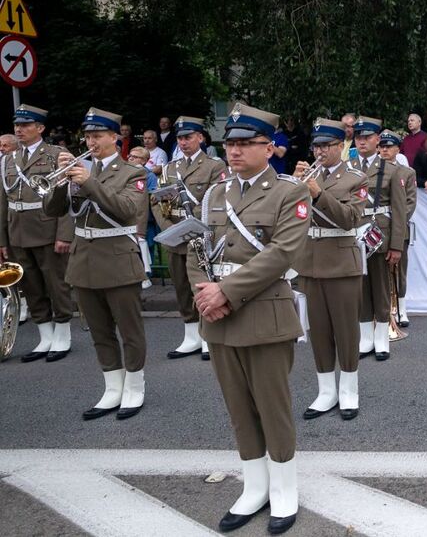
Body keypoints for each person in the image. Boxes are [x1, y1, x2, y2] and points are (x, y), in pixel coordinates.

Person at [187, 103, 308, 533]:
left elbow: (283, 254)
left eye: (244, 144)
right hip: (218, 315)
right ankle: (254, 487)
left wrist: (227, 292)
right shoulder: (215, 194)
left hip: (264, 314)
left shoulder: (289, 192)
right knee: (239, 408)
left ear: (269, 147)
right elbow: (196, 247)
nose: (234, 152)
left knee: (272, 407)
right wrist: (206, 293)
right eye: (230, 144)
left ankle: (284, 489)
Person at [43, 108, 148, 420]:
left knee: (129, 330)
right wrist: (61, 181)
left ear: (114, 137)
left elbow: (126, 210)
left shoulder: (132, 172)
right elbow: (52, 210)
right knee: (99, 331)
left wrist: (88, 181)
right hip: (84, 261)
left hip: (117, 260)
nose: (91, 141)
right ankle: (112, 386)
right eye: (87, 136)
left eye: (98, 135)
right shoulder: (78, 168)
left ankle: (135, 385)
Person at [293, 118, 366, 421]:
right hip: (310, 261)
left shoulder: (355, 178)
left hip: (341, 261)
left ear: (340, 146)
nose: (320, 151)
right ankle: (326, 390)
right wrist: (294, 188)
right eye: (317, 146)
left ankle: (349, 389)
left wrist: (317, 193)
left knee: (345, 330)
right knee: (319, 330)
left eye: (327, 145)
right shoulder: (305, 177)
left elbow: (350, 219)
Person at [0, 105, 75, 363]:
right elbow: (2, 201)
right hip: (17, 230)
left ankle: (63, 333)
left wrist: (65, 233)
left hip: (47, 226)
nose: (19, 129)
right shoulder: (8, 159)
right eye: (16, 125)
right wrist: (2, 240)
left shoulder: (57, 154)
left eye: (25, 125)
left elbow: (67, 196)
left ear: (40, 128)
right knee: (29, 283)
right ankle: (45, 335)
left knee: (56, 282)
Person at [151, 116, 227, 362]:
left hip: (201, 234)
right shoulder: (170, 168)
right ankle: (190, 335)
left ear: (200, 138)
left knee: (201, 285)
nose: (183, 142)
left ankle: (207, 335)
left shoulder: (213, 166)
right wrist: (166, 228)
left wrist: (199, 229)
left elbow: (218, 201)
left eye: (188, 137)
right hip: (176, 235)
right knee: (181, 286)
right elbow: (157, 201)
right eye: (180, 138)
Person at [350, 117, 407, 360]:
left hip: (379, 234)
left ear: (377, 140)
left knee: (381, 287)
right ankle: (366, 338)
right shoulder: (348, 167)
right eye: (358, 137)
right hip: (354, 234)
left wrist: (396, 245)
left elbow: (400, 210)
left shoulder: (391, 170)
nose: (362, 141)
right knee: (361, 288)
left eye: (367, 137)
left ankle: (382, 338)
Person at [377, 130, 417, 327]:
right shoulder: (373, 172)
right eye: (381, 146)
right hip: (376, 230)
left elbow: (410, 203)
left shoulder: (407, 173)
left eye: (388, 146)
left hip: (398, 228)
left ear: (397, 149)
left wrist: (396, 223)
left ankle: (401, 308)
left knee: (399, 270)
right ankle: (381, 311)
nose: (384, 150)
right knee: (378, 272)